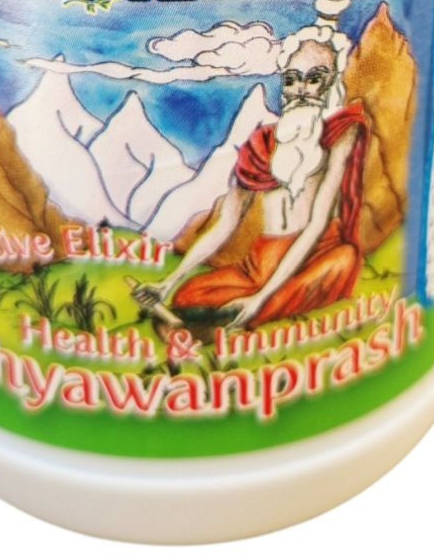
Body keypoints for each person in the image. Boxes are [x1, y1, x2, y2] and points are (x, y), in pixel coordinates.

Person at [136, 19, 368, 330]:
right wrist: (168, 283)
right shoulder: (261, 145)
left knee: (343, 260)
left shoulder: (340, 133)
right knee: (189, 295)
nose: (301, 90)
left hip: (315, 252)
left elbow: (317, 225)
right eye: (292, 80)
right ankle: (228, 316)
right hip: (259, 262)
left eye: (314, 79)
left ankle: (243, 314)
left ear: (332, 83)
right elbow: (225, 225)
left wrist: (260, 298)